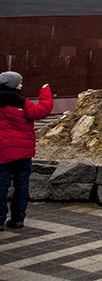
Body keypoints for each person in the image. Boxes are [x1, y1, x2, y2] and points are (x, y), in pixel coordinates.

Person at [0, 71, 52, 230]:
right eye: (20, 82)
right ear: (15, 85)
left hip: (3, 152)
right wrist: (45, 91)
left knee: (1, 186)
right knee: (21, 185)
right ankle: (17, 219)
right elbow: (42, 111)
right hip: (23, 153)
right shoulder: (23, 102)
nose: (21, 85)